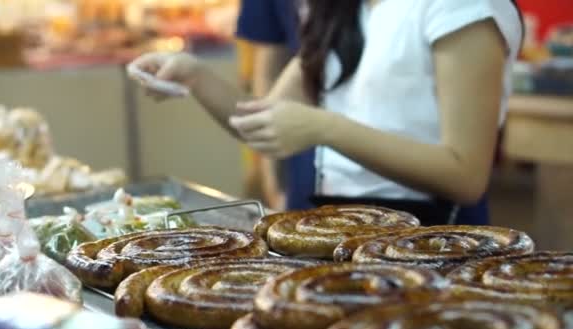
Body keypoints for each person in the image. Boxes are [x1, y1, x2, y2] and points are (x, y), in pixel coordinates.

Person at [129, 0, 524, 226]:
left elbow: (465, 174)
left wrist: (326, 128)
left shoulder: (462, 8)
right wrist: (196, 77)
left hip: (434, 241)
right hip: (330, 236)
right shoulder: (342, 10)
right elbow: (261, 121)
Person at [235, 0, 316, 211]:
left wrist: (328, 129)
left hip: (388, 188)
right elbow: (269, 71)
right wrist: (270, 177)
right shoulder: (315, 49)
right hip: (304, 167)